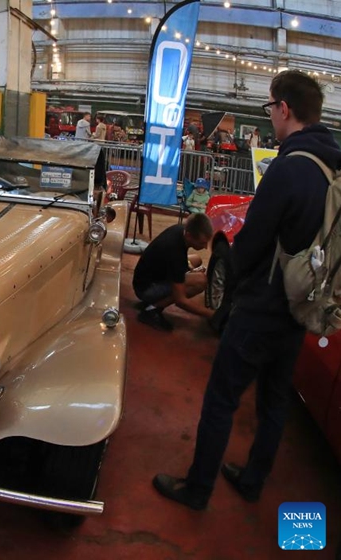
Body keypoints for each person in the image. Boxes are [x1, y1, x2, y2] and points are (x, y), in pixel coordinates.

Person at [153, 70, 341, 510]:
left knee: (221, 399)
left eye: (270, 108)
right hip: (302, 305)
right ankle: (253, 479)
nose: (271, 116)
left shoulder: (288, 168)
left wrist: (234, 297)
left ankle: (197, 490)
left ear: (284, 109)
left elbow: (251, 244)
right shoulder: (333, 168)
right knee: (274, 401)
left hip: (262, 308)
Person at [132, 213, 215, 331]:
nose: (206, 247)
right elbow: (181, 301)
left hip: (148, 276)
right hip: (145, 289)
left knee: (196, 259)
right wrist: (212, 314)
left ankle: (152, 303)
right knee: (200, 281)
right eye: (202, 243)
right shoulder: (175, 252)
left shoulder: (179, 230)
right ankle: (152, 310)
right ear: (189, 236)